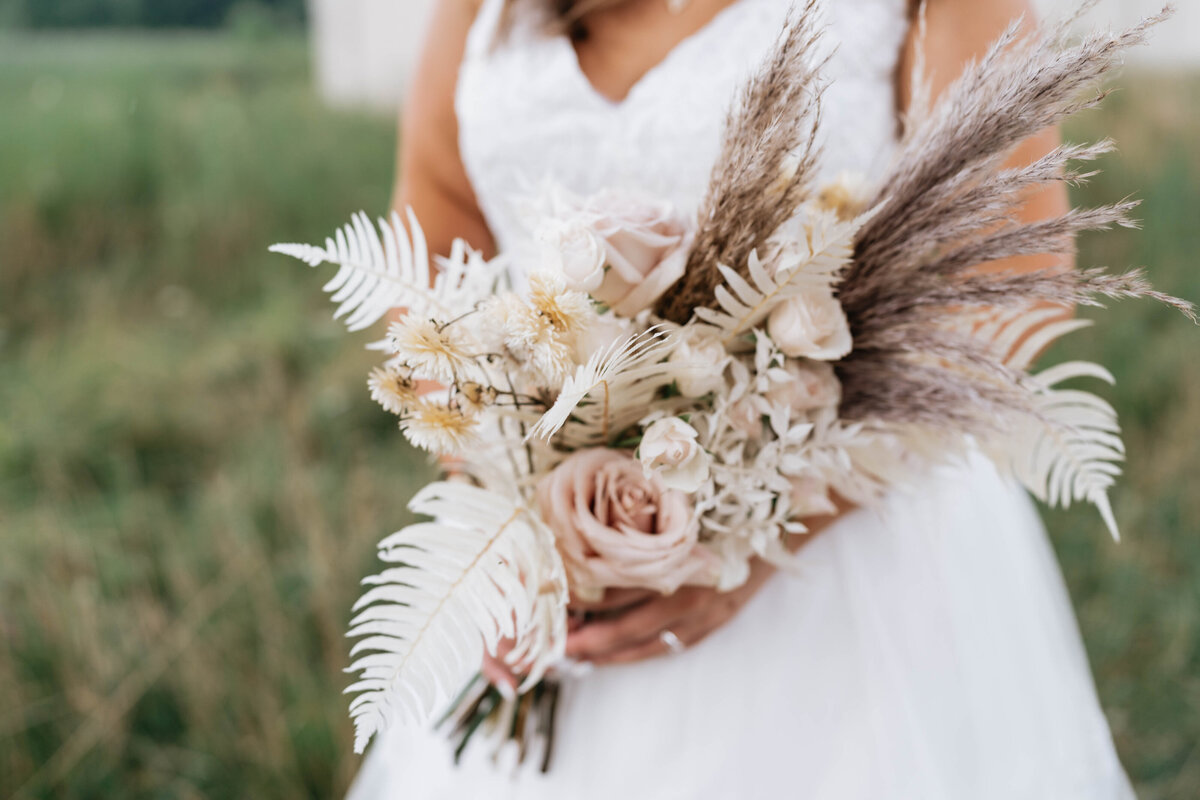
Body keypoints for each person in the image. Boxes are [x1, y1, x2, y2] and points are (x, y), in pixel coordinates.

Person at [348, 0, 1134, 796]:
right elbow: (437, 221)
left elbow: (1009, 279)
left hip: (848, 568)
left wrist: (742, 536)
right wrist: (495, 483)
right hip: (543, 565)